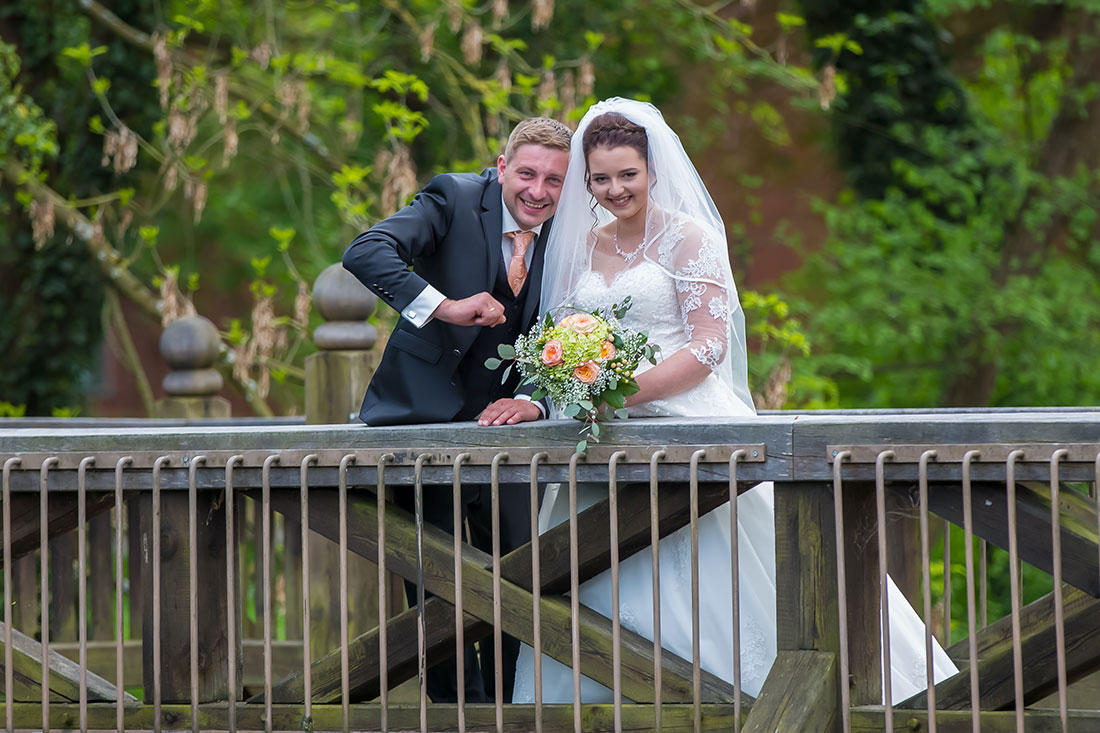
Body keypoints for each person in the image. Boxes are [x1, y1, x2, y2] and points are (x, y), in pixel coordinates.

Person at [512, 98, 957, 704]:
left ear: (652, 170)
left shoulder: (688, 238)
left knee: (728, 575)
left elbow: (708, 345)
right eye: (600, 178)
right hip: (600, 442)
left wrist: (624, 391)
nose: (614, 189)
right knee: (597, 574)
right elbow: (558, 335)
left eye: (627, 175)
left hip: (688, 430)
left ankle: (777, 702)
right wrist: (570, 386)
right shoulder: (581, 245)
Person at [342, 117, 572, 703]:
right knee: (435, 589)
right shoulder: (454, 196)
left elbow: (576, 328)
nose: (538, 190)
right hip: (425, 422)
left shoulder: (573, 230)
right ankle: (449, 715)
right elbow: (366, 250)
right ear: (501, 168)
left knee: (522, 584)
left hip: (516, 437)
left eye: (554, 179)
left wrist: (534, 399)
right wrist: (443, 305)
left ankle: (511, 710)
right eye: (527, 173)